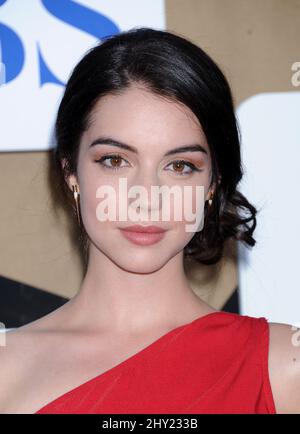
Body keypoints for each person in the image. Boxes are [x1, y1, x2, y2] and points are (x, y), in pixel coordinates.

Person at [0, 27, 299, 414]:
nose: (147, 198)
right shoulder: (7, 369)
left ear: (212, 184)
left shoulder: (284, 367)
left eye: (180, 166)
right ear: (71, 172)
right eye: (115, 160)